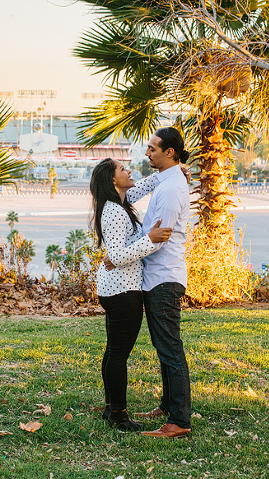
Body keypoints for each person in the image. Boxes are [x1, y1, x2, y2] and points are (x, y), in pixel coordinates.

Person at [105, 127, 195, 439]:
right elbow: (129, 193)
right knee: (163, 346)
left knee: (170, 348)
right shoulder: (165, 178)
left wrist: (118, 256)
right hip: (156, 276)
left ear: (170, 152)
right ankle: (168, 405)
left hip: (163, 277)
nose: (147, 153)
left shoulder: (171, 189)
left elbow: (158, 239)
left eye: (153, 149)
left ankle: (180, 420)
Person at [89, 158, 171, 432]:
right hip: (121, 291)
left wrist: (170, 172)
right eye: (123, 169)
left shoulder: (120, 201)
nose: (129, 171)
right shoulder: (113, 211)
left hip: (117, 287)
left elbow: (142, 187)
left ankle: (112, 408)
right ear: (113, 180)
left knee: (114, 351)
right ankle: (119, 415)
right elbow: (117, 255)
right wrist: (152, 239)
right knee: (118, 354)